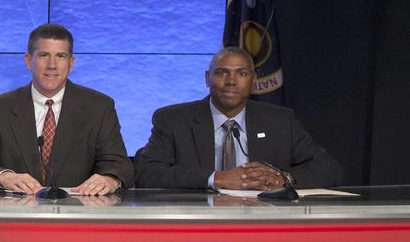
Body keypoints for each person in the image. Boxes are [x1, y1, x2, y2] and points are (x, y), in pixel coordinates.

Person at [134, 47, 342, 190]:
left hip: (264, 221)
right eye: (222, 72)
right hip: (197, 221)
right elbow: (146, 173)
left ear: (253, 80)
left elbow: (328, 169)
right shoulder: (173, 119)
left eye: (241, 73)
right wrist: (216, 179)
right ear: (208, 78)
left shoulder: (279, 120)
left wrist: (283, 179)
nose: (231, 81)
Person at [0, 23, 132, 194]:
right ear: (28, 61)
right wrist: (5, 177)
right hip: (16, 215)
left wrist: (110, 179)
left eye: (60, 56)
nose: (52, 65)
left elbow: (119, 165)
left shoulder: (99, 107)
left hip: (78, 215)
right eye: (44, 55)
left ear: (71, 63)